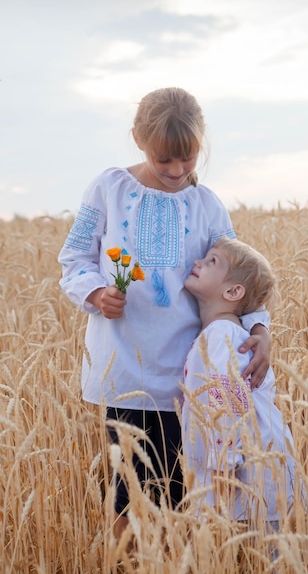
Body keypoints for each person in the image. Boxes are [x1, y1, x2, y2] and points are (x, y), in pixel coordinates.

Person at [58, 87, 271, 539]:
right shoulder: (107, 189)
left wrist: (258, 328)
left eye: (188, 159)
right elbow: (74, 259)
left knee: (187, 491)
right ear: (138, 138)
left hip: (191, 379)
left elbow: (241, 276)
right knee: (129, 493)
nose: (177, 171)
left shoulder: (207, 205)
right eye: (164, 160)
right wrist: (96, 292)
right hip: (123, 376)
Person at [182, 237, 297, 537]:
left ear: (233, 291)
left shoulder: (221, 336)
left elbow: (228, 406)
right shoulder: (221, 333)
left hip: (247, 479)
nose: (198, 262)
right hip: (253, 476)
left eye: (211, 262)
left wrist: (223, 472)